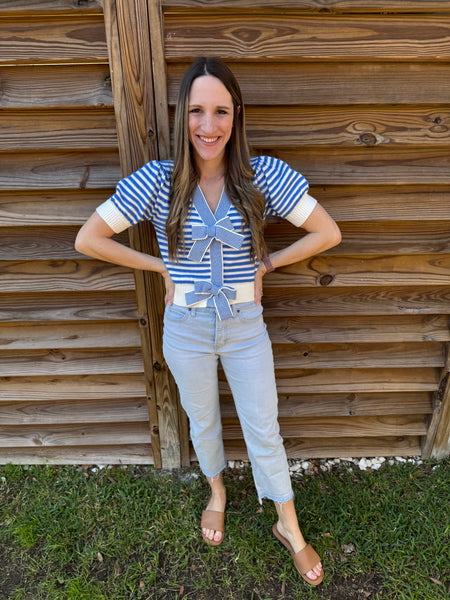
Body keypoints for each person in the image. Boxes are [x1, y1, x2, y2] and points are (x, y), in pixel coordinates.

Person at [75, 57, 341, 586]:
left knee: (264, 426)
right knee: (203, 420)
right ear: (182, 117)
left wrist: (269, 263)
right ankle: (217, 491)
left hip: (246, 325)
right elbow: (88, 239)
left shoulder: (260, 175)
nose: (209, 125)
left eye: (220, 111)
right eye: (197, 111)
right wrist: (160, 268)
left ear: (236, 115)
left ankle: (288, 524)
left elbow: (326, 232)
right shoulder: (158, 181)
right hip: (185, 327)